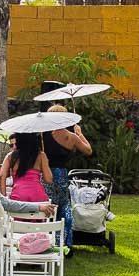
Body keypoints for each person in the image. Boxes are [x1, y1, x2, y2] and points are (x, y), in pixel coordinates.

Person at [42, 104, 93, 249]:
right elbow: (88, 151)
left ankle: (46, 241)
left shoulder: (42, 136)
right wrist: (79, 133)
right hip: (62, 175)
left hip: (45, 174)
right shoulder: (71, 137)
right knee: (64, 207)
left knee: (48, 206)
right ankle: (64, 243)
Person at [8, 133, 54, 206]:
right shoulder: (41, 155)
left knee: (17, 216)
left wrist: (4, 197)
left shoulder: (11, 156)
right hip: (38, 196)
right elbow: (48, 179)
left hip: (18, 196)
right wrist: (45, 162)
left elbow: (2, 176)